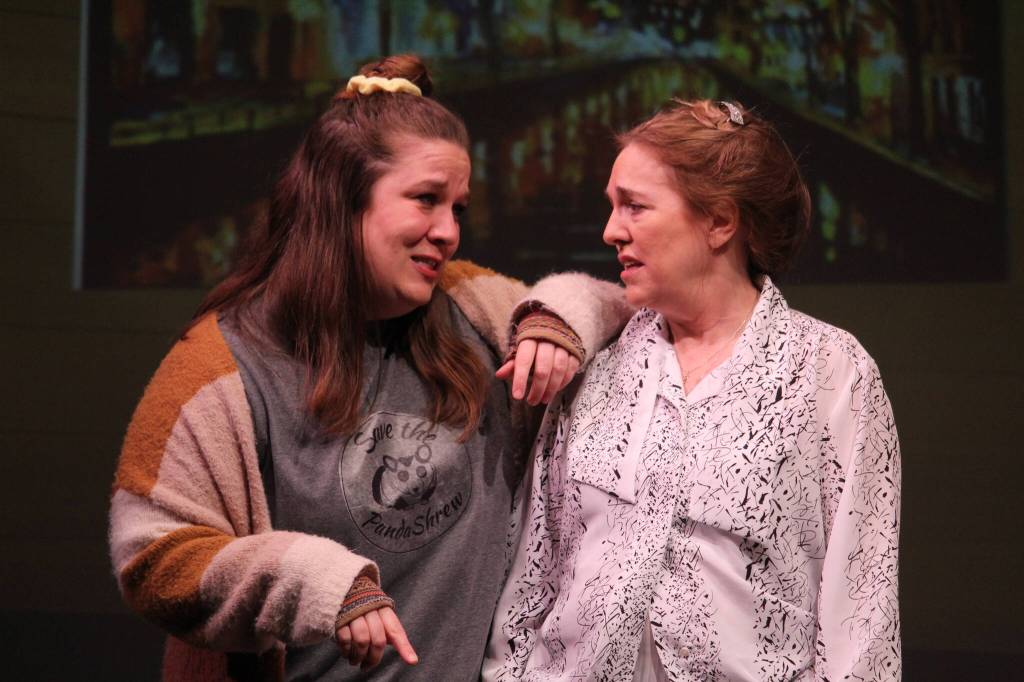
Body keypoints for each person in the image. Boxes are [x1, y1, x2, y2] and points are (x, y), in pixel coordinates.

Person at [108, 55, 631, 681]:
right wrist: (313, 580)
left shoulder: (473, 306)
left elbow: (621, 306)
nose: (448, 232)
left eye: (458, 209)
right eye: (425, 200)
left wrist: (556, 318)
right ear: (341, 200)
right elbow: (152, 553)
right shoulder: (223, 361)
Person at [485, 99, 901, 681]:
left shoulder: (830, 373)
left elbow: (862, 614)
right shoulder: (597, 363)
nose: (611, 231)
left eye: (635, 206)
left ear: (719, 221)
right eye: (612, 206)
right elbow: (532, 570)